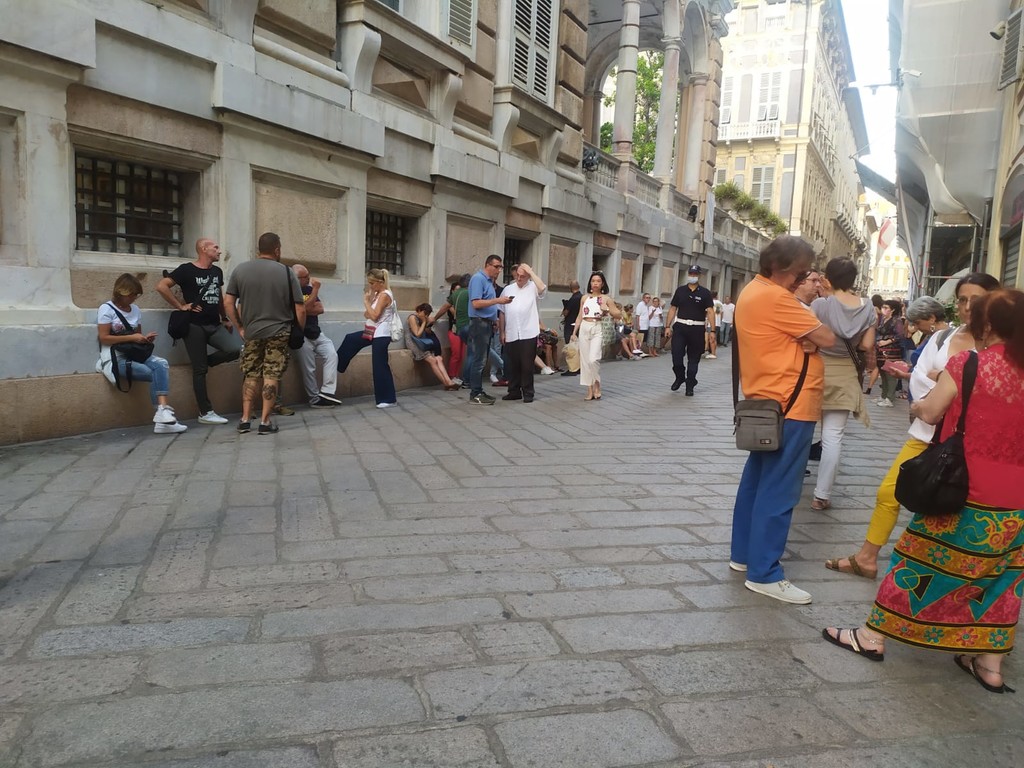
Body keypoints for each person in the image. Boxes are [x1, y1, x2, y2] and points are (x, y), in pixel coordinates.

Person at [823, 289, 1024, 694]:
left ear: (987, 325)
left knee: (916, 562)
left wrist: (915, 406)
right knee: (1004, 579)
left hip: (963, 490)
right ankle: (989, 664)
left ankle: (872, 637)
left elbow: (930, 412)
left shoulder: (969, 363)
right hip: (1016, 500)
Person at [824, 274, 1001, 579]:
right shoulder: (943, 338)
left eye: (977, 299)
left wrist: (943, 380)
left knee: (956, 506)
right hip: (926, 433)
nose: (967, 306)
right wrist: (944, 387)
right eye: (962, 299)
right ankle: (867, 557)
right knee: (888, 492)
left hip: (971, 443)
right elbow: (920, 380)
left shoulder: (1003, 345)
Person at [729, 236, 836, 605]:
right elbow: (828, 337)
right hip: (791, 403)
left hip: (768, 401)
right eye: (801, 273)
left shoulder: (753, 290)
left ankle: (744, 555)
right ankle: (765, 573)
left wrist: (808, 340)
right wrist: (812, 339)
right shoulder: (777, 298)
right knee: (780, 490)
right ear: (781, 268)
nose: (803, 280)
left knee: (757, 483)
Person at [808, 258, 877, 511]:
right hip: (845, 372)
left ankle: (789, 481)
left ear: (828, 278)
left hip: (817, 370)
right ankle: (821, 495)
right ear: (853, 279)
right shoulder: (868, 307)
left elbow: (808, 337)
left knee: (804, 429)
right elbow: (866, 345)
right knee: (833, 436)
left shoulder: (819, 305)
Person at [224, 232, 305, 435]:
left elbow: (228, 302)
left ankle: (245, 420)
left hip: (252, 332)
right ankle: (265, 421)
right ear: (277, 249)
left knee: (251, 373)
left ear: (258, 249)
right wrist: (298, 329)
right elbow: (300, 308)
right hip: (279, 332)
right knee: (271, 374)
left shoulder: (240, 270)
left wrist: (240, 326)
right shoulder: (287, 273)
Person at [155, 238, 241, 425]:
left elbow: (218, 297)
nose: (219, 251)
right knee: (199, 371)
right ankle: (205, 412)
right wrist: (181, 306)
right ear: (204, 249)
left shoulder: (217, 271)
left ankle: (203, 363)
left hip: (214, 324)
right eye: (215, 247)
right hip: (194, 326)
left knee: (235, 349)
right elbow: (161, 286)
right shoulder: (186, 269)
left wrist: (224, 317)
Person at [96, 273, 188, 435]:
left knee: (161, 364)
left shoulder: (136, 310)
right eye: (132, 294)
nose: (134, 298)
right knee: (151, 372)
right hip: (116, 358)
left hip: (134, 354)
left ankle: (162, 413)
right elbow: (104, 338)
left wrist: (144, 339)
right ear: (121, 292)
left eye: (136, 295)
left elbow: (136, 337)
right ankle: (162, 416)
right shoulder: (106, 309)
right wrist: (132, 337)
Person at [335, 268, 399, 409]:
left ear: (380, 282)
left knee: (380, 366)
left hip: (381, 334)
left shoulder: (384, 295)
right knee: (351, 339)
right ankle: (337, 366)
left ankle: (388, 399)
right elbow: (367, 314)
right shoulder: (377, 295)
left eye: (372, 283)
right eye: (369, 283)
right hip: (372, 332)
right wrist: (370, 303)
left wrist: (366, 302)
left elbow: (374, 315)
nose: (370, 286)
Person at [290, 264, 342, 408]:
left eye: (308, 275)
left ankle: (327, 392)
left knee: (332, 354)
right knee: (309, 367)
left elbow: (319, 309)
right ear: (296, 278)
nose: (309, 279)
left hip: (316, 332)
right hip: (301, 334)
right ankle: (314, 399)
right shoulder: (290, 291)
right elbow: (302, 310)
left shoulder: (308, 289)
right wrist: (316, 290)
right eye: (305, 277)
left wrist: (306, 306)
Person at [569, 270, 622, 401]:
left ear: (602, 284)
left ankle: (597, 382)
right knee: (585, 361)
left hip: (598, 327)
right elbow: (580, 315)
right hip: (584, 327)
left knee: (593, 359)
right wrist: (574, 332)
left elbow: (618, 314)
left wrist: (607, 309)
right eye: (593, 281)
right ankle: (589, 389)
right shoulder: (584, 298)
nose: (595, 283)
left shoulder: (606, 299)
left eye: (598, 281)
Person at [498, 263, 547, 402]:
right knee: (512, 364)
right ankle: (514, 391)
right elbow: (502, 311)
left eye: (523, 276)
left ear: (528, 277)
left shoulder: (533, 287)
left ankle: (528, 392)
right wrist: (502, 332)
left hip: (528, 331)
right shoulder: (508, 289)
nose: (519, 278)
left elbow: (542, 288)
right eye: (517, 275)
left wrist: (531, 272)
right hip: (512, 331)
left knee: (527, 365)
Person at [467, 255, 512, 405]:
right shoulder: (478, 279)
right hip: (479, 323)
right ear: (487, 265)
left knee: (482, 359)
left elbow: (488, 305)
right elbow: (476, 303)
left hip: (487, 323)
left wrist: (495, 320)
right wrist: (498, 300)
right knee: (479, 360)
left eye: (500, 267)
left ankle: (479, 391)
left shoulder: (489, 281)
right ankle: (475, 393)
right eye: (496, 266)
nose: (499, 270)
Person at [665, 265, 716, 396]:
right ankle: (680, 376)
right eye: (691, 274)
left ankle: (690, 384)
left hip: (697, 329)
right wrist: (667, 326)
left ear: (699, 276)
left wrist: (712, 331)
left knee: (693, 359)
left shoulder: (705, 293)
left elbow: (710, 311)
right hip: (680, 327)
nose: (693, 276)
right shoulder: (680, 291)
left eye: (695, 274)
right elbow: (673, 308)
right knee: (676, 356)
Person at [407, 303, 460, 391]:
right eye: (425, 313)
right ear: (419, 310)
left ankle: (448, 382)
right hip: (414, 343)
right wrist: (424, 322)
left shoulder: (423, 319)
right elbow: (417, 334)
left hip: (423, 343)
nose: (426, 316)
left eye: (427, 314)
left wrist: (428, 324)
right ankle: (446, 384)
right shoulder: (412, 317)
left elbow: (427, 332)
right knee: (432, 360)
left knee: (439, 358)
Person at [430, 275, 466, 386]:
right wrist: (434, 318)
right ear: (452, 291)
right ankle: (452, 375)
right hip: (454, 331)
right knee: (456, 354)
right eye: (456, 290)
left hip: (463, 330)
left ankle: (457, 375)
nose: (459, 293)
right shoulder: (450, 303)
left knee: (462, 354)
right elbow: (456, 314)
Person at [874, 299, 905, 407]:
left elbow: (900, 335)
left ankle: (890, 398)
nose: (883, 309)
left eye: (886, 308)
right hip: (880, 350)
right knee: (882, 373)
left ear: (893, 310)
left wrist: (887, 341)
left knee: (890, 374)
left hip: (891, 351)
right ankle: (883, 395)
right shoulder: (883, 319)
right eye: (883, 307)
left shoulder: (896, 320)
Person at [560, 280, 582, 376]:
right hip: (578, 324)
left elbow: (566, 312)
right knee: (577, 347)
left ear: (570, 288)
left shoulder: (573, 298)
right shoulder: (581, 297)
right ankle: (578, 367)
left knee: (570, 348)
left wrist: (564, 309)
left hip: (570, 324)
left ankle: (572, 368)